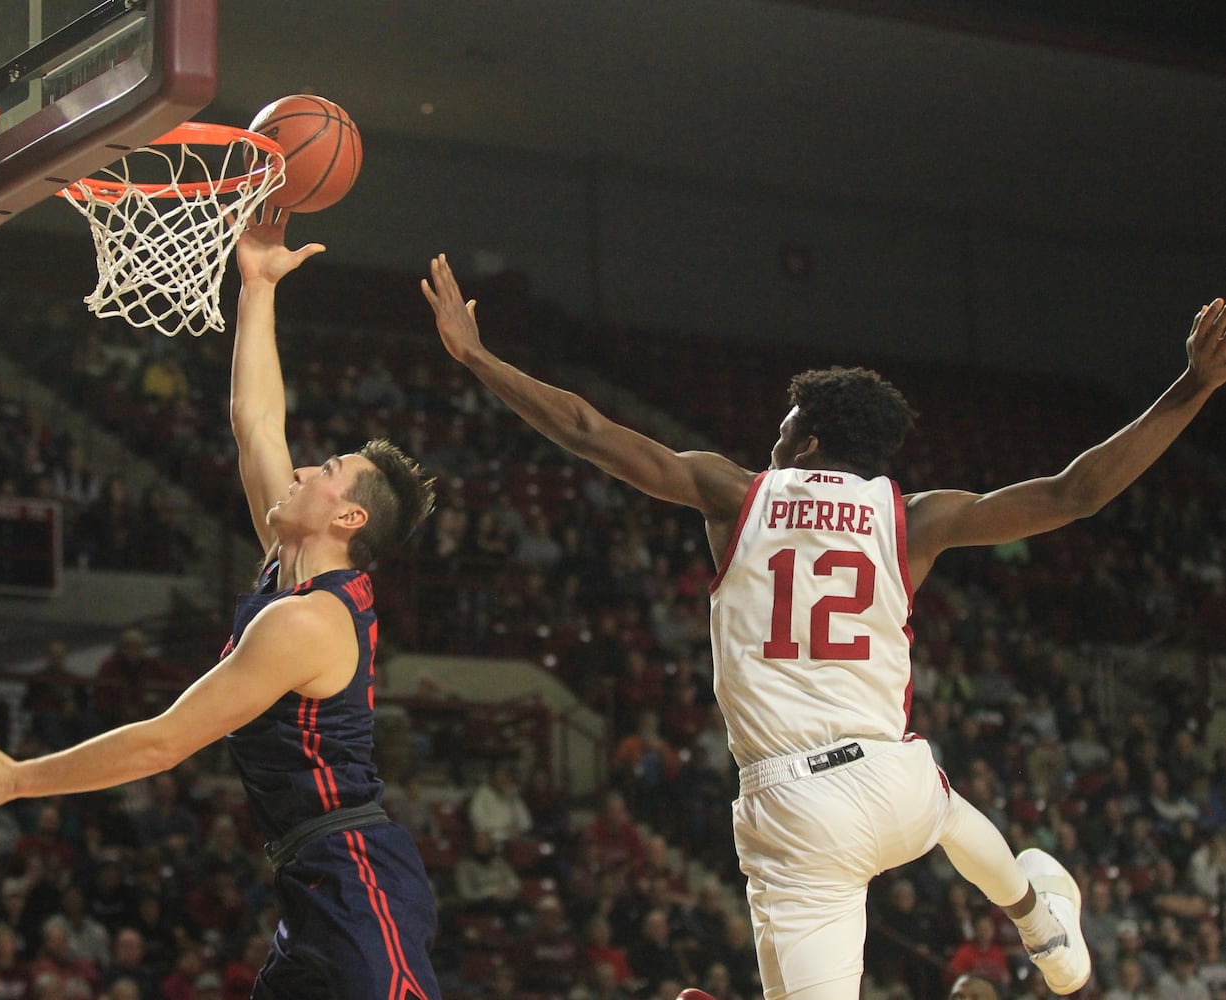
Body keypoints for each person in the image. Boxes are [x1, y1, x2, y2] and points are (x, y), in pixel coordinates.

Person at [425, 253, 1226, 1000]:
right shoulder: (912, 517)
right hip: (895, 782)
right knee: (942, 804)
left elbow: (586, 432)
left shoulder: (735, 494)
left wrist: (478, 359)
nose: (773, 434)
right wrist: (1191, 385)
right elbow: (1073, 493)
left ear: (805, 438)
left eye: (784, 423)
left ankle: (1036, 911)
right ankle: (1035, 915)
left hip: (799, 806)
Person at [0, 210, 441, 1000]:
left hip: (358, 881)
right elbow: (255, 424)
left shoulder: (303, 621)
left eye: (325, 468)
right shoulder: (284, 567)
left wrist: (17, 782)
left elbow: (161, 745)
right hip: (315, 882)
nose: (303, 469)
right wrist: (256, 288)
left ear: (348, 517)